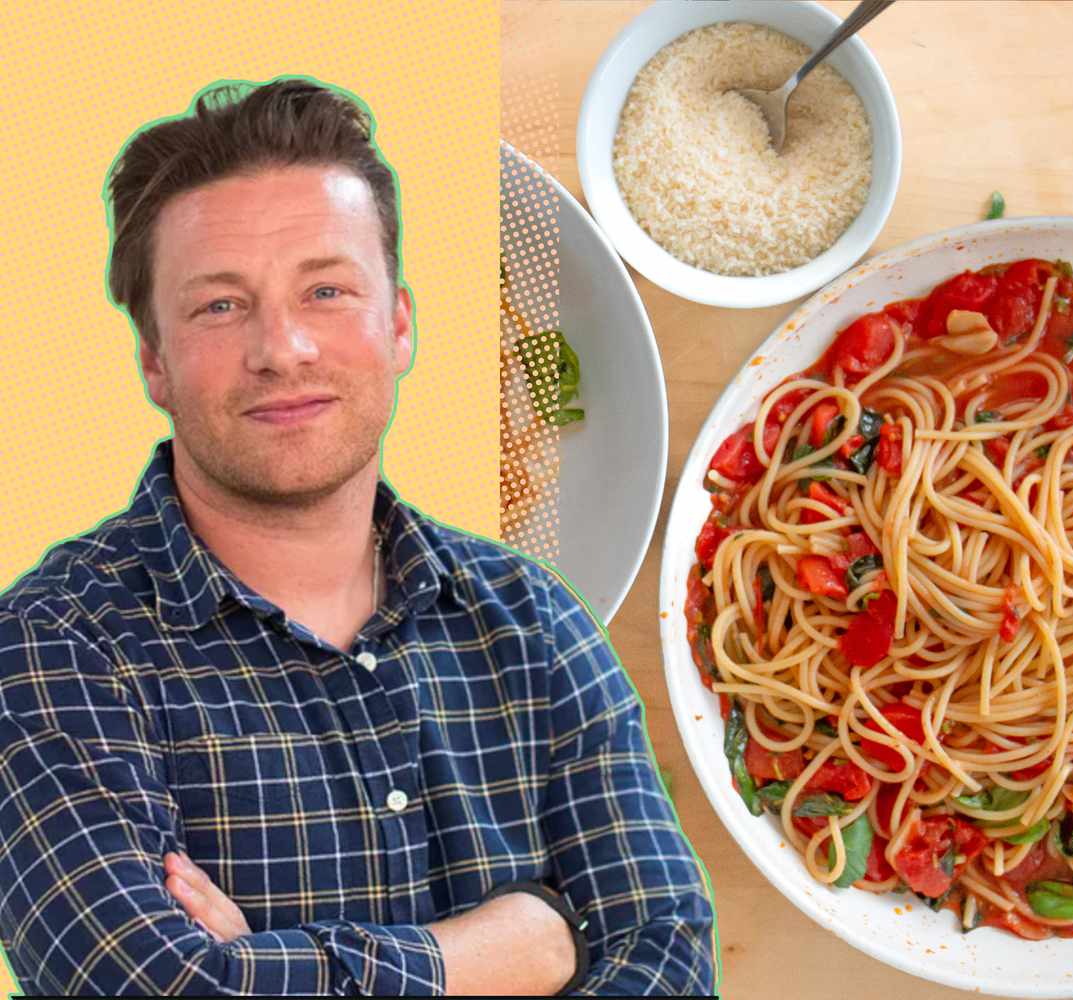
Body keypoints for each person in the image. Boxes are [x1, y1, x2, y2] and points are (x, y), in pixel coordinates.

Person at [0, 77, 716, 996]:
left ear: (401, 323)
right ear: (153, 360)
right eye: (219, 306)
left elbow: (675, 964)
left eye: (327, 289)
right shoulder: (51, 647)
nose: (282, 347)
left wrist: (258, 965)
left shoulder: (532, 622)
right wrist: (521, 950)